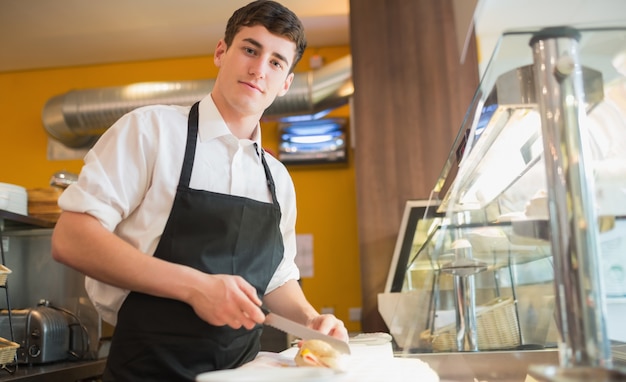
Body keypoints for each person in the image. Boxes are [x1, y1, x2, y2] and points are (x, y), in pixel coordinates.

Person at [50, 1, 348, 380]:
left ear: (286, 82)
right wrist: (195, 287)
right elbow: (72, 239)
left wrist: (311, 320)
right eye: (250, 49)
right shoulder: (150, 131)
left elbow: (276, 277)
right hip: (146, 370)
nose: (259, 69)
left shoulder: (278, 179)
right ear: (221, 52)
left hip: (242, 374)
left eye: (276, 62)